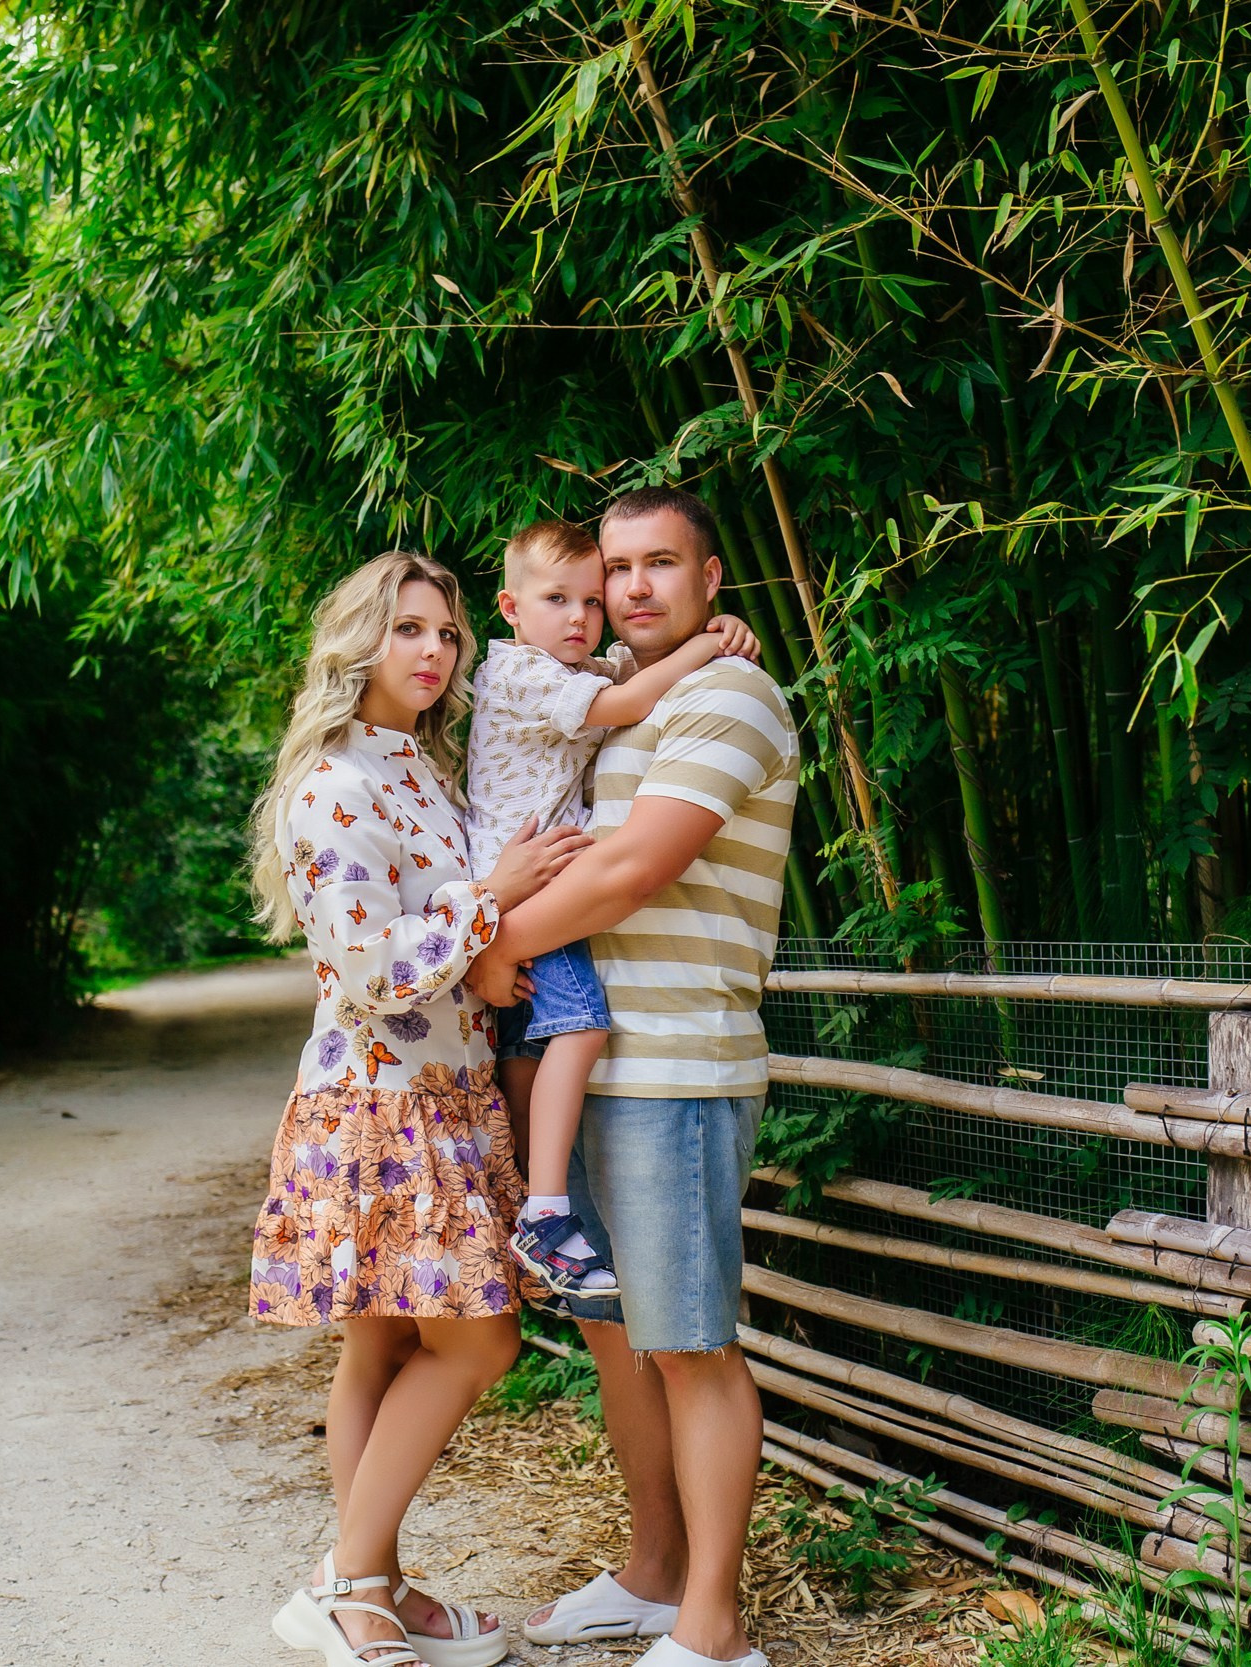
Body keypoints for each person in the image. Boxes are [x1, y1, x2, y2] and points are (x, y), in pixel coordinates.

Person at [466, 488, 797, 1667]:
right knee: (616, 1335)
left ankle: (714, 1627)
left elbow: (635, 868)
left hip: (677, 1064)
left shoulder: (730, 694)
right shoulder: (605, 707)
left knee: (692, 1343)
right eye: (618, 567)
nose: (635, 586)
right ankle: (656, 1572)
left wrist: (491, 945)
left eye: (664, 563)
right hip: (593, 1060)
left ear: (713, 579)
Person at [251, 550, 589, 1667]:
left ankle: (372, 1585)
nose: (434, 651)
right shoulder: (332, 783)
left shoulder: (424, 774)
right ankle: (349, 1579)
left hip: (447, 1093)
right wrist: (488, 906)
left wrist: (484, 951)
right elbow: (367, 966)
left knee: (382, 1345)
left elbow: (446, 940)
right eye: (407, 629)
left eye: (444, 631)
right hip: (377, 1103)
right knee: (480, 1340)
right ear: (358, 643)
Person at [464, 517, 757, 1299]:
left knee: (529, 1049)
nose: (581, 617)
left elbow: (623, 665)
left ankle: (532, 1188)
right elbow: (624, 700)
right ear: (509, 608)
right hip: (532, 888)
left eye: (590, 602)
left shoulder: (561, 662)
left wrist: (711, 625)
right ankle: (546, 1212)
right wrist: (706, 646)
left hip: (531, 890)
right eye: (557, 599)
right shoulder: (523, 675)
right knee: (582, 1025)